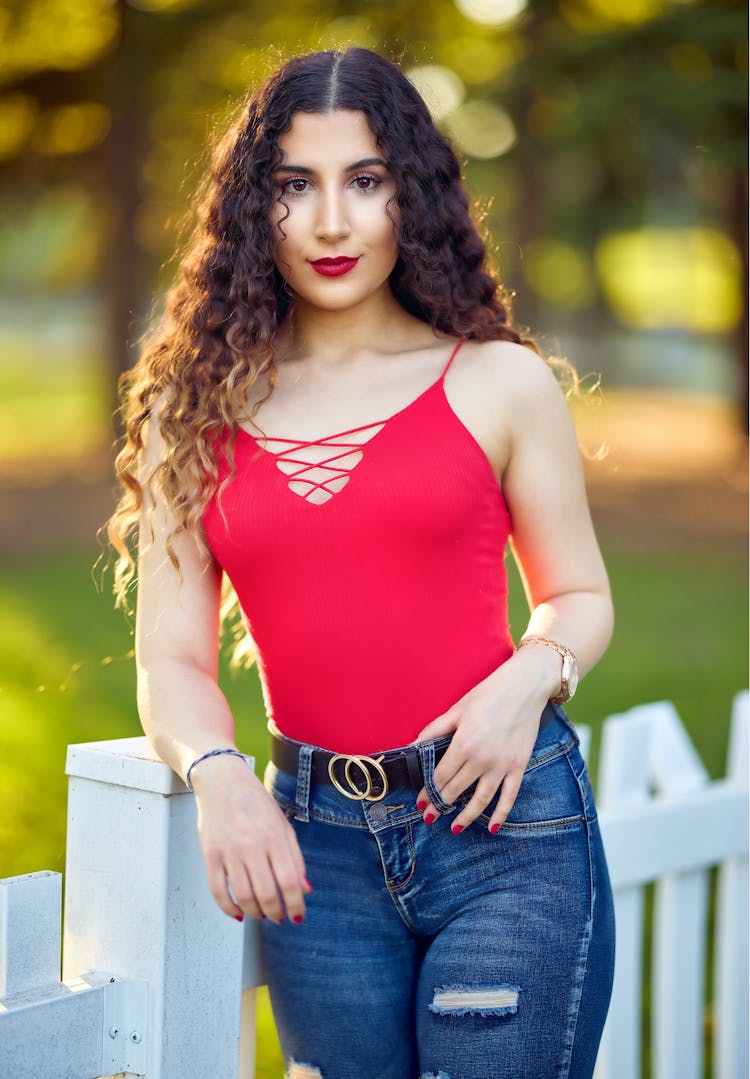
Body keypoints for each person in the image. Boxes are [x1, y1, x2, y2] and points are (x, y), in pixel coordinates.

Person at [108, 46, 615, 1079]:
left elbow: (579, 597)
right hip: (315, 853)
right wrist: (217, 776)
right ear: (257, 208)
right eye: (296, 185)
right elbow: (171, 662)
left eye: (366, 180)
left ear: (409, 197)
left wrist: (530, 678)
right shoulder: (192, 409)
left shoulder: (501, 383)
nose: (332, 222)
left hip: (504, 830)